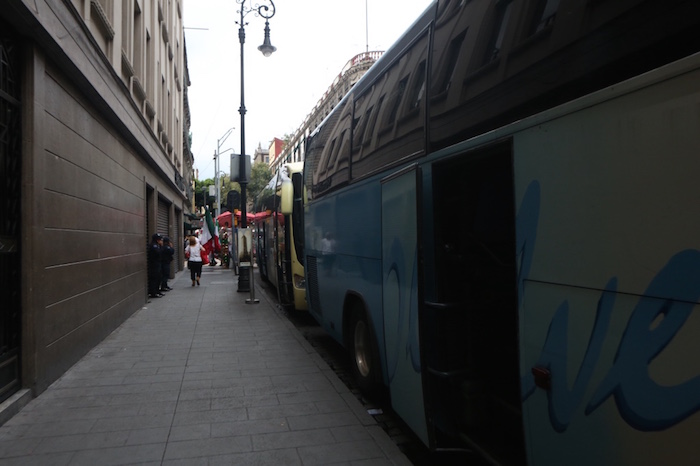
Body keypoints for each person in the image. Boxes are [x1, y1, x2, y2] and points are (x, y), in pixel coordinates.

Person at [148, 233, 164, 298]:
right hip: (154, 265)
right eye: (160, 239)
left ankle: (157, 291)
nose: (161, 241)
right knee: (154, 279)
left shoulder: (157, 245)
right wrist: (161, 246)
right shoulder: (153, 246)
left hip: (158, 264)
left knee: (158, 278)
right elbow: (159, 253)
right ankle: (153, 292)